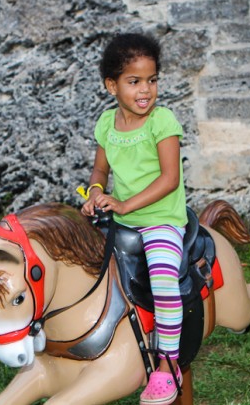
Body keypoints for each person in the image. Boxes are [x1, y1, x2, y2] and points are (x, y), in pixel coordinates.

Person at [81, 33, 187, 405]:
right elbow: (99, 171)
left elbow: (169, 179)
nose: (146, 90)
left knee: (163, 280)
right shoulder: (106, 124)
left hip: (159, 219)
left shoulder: (162, 121)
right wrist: (95, 194)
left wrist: (125, 205)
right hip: (120, 220)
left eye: (152, 80)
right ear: (112, 86)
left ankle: (168, 366)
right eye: (134, 81)